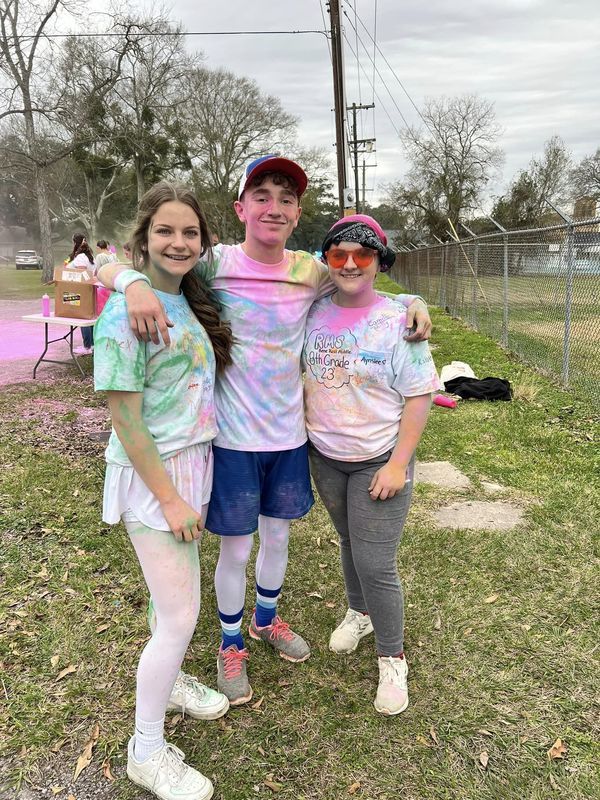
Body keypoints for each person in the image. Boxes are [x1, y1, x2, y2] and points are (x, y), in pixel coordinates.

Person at [97, 155, 432, 708]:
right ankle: (231, 644)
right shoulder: (213, 263)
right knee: (235, 551)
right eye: (262, 196)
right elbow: (108, 263)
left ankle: (265, 619)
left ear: (297, 212)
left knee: (277, 540)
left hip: (290, 440)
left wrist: (410, 302)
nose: (274, 208)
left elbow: (360, 284)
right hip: (231, 441)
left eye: (286, 199)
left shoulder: (310, 272)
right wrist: (131, 282)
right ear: (241, 208)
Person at [94, 181, 234, 800]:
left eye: (189, 232)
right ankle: (145, 750)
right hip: (156, 477)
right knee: (180, 616)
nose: (178, 242)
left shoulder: (187, 297)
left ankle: (171, 684)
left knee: (168, 598)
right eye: (165, 231)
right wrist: (173, 500)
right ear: (144, 238)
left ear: (203, 242)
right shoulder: (125, 313)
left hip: (193, 464)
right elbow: (126, 421)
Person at [303, 215, 441, 716]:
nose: (350, 264)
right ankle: (358, 613)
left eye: (362, 254)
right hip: (324, 456)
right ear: (326, 260)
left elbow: (420, 396)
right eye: (338, 254)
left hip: (378, 459)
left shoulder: (399, 322)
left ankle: (392, 656)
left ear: (380, 262)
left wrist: (398, 464)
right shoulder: (312, 309)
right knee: (348, 541)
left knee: (377, 562)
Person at [67, 233, 96, 355]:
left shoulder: (80, 257)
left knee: (82, 318)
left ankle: (87, 346)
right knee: (89, 318)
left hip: (80, 290)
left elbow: (81, 273)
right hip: (89, 289)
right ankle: (92, 344)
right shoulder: (90, 257)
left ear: (75, 243)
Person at [95, 240, 118, 316]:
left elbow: (98, 270)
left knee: (102, 304)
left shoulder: (100, 256)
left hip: (104, 282)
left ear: (98, 248)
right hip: (113, 282)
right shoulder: (113, 255)